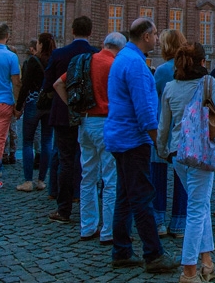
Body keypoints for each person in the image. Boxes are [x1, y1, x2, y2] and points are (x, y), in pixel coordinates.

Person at [104, 18, 178, 273]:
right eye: (155, 34)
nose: (157, 39)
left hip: (118, 136)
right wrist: (159, 143)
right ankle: (154, 254)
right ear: (146, 36)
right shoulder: (136, 63)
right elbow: (145, 110)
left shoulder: (123, 57)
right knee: (143, 196)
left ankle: (122, 250)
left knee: (125, 196)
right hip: (132, 140)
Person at [157, 42, 215, 283]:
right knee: (197, 210)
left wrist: (162, 150)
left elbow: (163, 127)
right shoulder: (208, 83)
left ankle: (207, 263)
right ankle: (189, 271)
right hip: (200, 153)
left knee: (200, 205)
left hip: (179, 154)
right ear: (202, 62)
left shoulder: (169, 87)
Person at [54, 32, 126, 244]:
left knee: (88, 176)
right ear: (120, 49)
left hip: (84, 122)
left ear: (104, 43)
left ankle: (87, 227)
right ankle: (108, 231)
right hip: (105, 122)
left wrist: (72, 107)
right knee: (110, 179)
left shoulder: (86, 60)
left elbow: (58, 83)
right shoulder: (114, 65)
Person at [41, 16, 96, 224]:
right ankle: (85, 204)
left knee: (65, 160)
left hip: (63, 114)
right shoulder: (95, 54)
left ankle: (63, 209)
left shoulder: (59, 54)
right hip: (89, 115)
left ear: (72, 30)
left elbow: (47, 86)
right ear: (90, 33)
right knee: (87, 161)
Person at [151, 29, 188, 239]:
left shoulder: (163, 70)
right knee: (182, 177)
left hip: (164, 126)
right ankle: (180, 222)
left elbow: (153, 95)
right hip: (183, 129)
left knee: (157, 174)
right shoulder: (188, 68)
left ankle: (159, 222)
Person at [15, 32, 56, 192]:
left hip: (33, 102)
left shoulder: (33, 61)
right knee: (47, 142)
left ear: (41, 44)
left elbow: (25, 86)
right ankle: (41, 180)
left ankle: (27, 181)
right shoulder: (54, 60)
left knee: (27, 142)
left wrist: (19, 107)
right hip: (49, 104)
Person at [0, 23, 20, 188]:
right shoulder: (11, 57)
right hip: (5, 101)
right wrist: (18, 105)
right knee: (1, 139)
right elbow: (16, 83)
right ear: (7, 36)